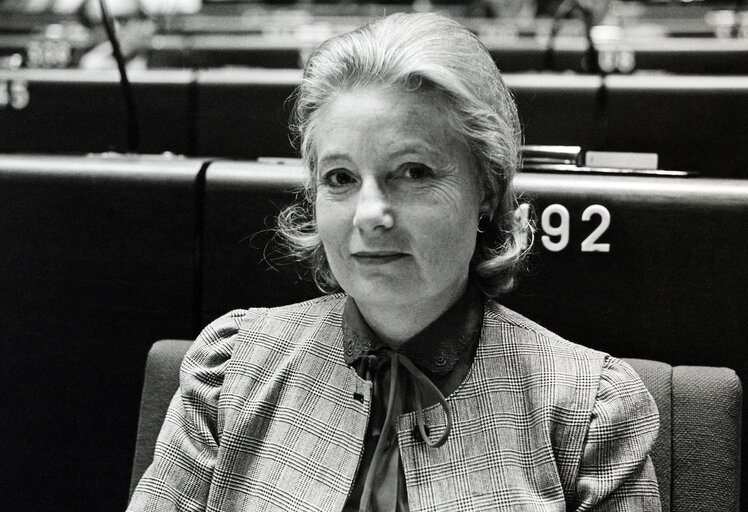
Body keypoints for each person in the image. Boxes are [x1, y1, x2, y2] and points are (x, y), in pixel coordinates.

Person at [128, 12, 660, 512]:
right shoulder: (230, 371)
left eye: (413, 172)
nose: (370, 215)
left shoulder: (590, 414)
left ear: (487, 191)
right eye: (340, 178)